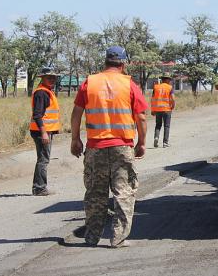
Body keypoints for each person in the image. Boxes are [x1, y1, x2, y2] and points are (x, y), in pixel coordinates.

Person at [70, 45, 148, 248]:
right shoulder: (129, 84)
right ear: (123, 64)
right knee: (123, 192)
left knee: (96, 193)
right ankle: (118, 238)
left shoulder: (90, 82)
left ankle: (92, 237)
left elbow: (77, 112)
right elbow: (140, 116)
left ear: (105, 62)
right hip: (122, 146)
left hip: (95, 147)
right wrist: (141, 142)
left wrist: (76, 139)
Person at [30, 67, 61, 196]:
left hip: (44, 131)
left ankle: (39, 187)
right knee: (43, 160)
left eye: (54, 77)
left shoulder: (47, 91)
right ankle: (39, 188)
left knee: (43, 159)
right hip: (42, 131)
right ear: (42, 78)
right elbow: (37, 115)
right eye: (49, 77)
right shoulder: (42, 93)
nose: (52, 79)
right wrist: (43, 133)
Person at [151, 74, 175, 148]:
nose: (170, 81)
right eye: (169, 80)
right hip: (167, 109)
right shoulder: (170, 87)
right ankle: (165, 143)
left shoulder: (156, 87)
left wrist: (152, 110)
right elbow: (173, 98)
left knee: (158, 125)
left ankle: (156, 137)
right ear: (167, 80)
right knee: (166, 126)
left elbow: (152, 99)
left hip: (158, 109)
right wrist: (173, 106)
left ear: (162, 79)